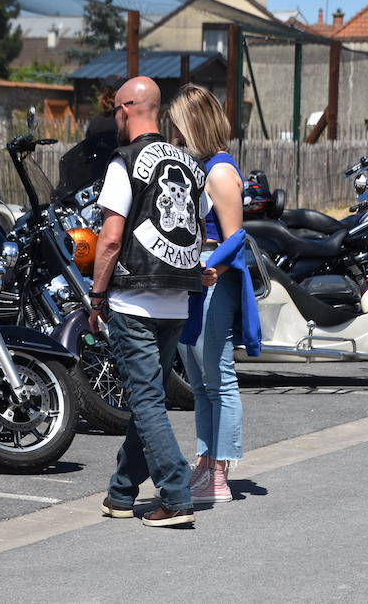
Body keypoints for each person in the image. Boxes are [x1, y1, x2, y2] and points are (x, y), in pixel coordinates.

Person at [89, 76, 214, 528]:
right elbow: (199, 229)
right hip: (176, 301)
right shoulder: (190, 164)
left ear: (125, 109)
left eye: (115, 112)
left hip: (134, 301)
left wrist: (96, 296)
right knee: (149, 400)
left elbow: (110, 238)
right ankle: (122, 492)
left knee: (145, 402)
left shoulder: (124, 161)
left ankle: (176, 496)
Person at [169, 84, 262, 505]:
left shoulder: (220, 171)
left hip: (209, 277)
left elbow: (234, 236)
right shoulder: (205, 167)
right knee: (201, 380)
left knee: (217, 378)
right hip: (196, 275)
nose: (175, 134)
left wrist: (214, 269)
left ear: (195, 124)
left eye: (179, 126)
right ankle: (207, 462)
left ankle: (219, 473)